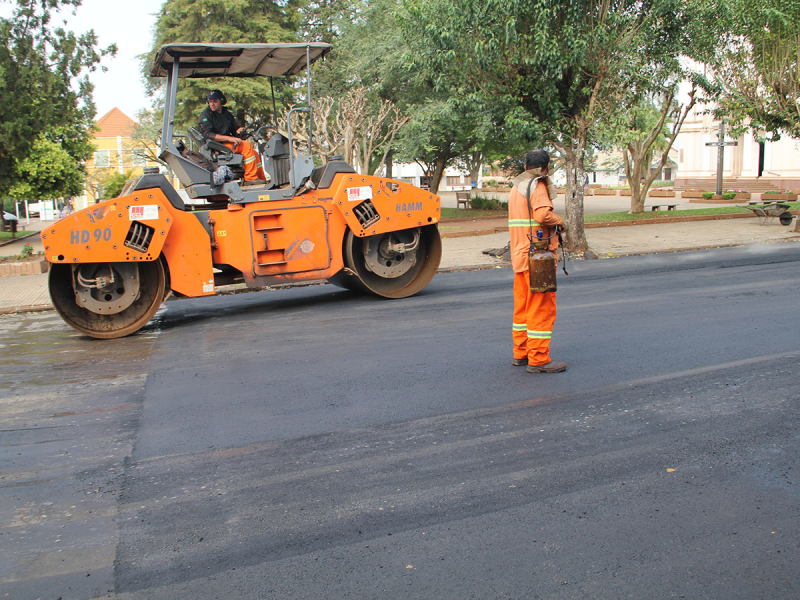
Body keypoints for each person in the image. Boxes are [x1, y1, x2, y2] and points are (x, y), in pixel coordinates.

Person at [508, 149, 567, 373]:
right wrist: (560, 222)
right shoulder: (537, 185)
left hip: (521, 257)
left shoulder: (517, 187)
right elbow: (543, 216)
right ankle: (539, 359)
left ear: (525, 166)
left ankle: (521, 353)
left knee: (522, 308)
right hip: (538, 258)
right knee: (541, 308)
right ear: (547, 167)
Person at [198, 90, 266, 182]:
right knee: (246, 146)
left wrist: (239, 131)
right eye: (210, 102)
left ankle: (261, 178)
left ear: (221, 101)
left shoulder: (227, 114)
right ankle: (250, 178)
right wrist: (230, 138)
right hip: (218, 146)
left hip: (228, 143)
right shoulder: (206, 115)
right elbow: (208, 135)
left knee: (254, 153)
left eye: (215, 101)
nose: (212, 104)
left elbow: (235, 130)